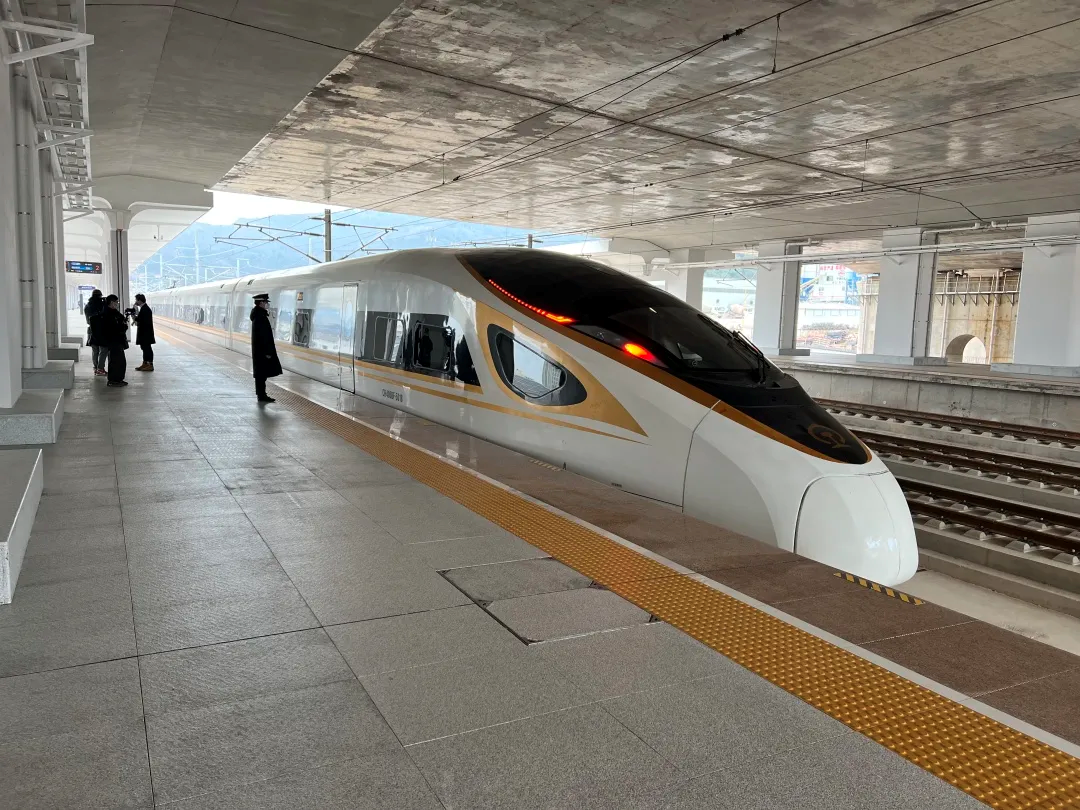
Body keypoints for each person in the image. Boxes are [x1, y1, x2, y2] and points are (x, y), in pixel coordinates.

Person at [250, 293, 282, 403]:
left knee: (261, 374)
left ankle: (262, 394)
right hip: (262, 351)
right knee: (261, 374)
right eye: (265, 302)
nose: (267, 304)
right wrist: (268, 352)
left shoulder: (259, 315)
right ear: (261, 303)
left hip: (260, 351)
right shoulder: (260, 317)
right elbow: (263, 336)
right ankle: (261, 395)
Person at [101, 294, 130, 387]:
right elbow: (113, 328)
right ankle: (113, 380)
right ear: (111, 302)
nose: (117, 304)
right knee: (116, 361)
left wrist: (123, 324)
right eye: (116, 302)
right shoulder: (108, 314)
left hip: (117, 341)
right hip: (113, 341)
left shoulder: (114, 312)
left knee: (120, 361)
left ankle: (118, 379)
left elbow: (121, 323)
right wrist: (123, 326)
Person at [84, 289, 108, 376]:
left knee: (95, 351)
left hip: (91, 330)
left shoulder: (88, 305)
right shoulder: (101, 305)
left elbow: (88, 320)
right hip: (100, 331)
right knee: (103, 350)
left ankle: (96, 368)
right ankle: (100, 368)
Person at [133, 293, 155, 371]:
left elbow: (140, 320)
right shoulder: (144, 308)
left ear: (139, 300)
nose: (135, 301)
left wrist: (134, 315)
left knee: (147, 348)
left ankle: (150, 364)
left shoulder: (145, 309)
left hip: (146, 333)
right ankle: (145, 363)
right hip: (144, 333)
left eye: (136, 300)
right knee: (144, 348)